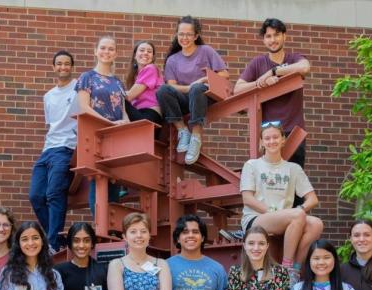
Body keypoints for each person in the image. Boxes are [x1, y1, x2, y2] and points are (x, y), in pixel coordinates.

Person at [239, 121, 323, 281]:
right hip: (256, 219)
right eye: (267, 138)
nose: (272, 141)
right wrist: (275, 213)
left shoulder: (293, 168)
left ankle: (295, 270)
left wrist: (296, 211)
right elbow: (247, 198)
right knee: (297, 215)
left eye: (276, 137)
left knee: (316, 224)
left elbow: (313, 199)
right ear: (261, 142)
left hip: (286, 219)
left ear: (283, 140)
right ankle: (286, 268)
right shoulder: (252, 165)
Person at [235, 18, 311, 184]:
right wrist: (260, 83)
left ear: (284, 36)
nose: (273, 40)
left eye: (276, 35)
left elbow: (305, 67)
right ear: (264, 40)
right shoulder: (258, 63)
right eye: (268, 36)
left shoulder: (294, 58)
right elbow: (237, 89)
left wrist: (274, 71)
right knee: (270, 185)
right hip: (268, 134)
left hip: (294, 131)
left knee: (294, 183)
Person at [156, 15, 228, 164]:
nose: (184, 38)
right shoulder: (172, 60)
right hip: (185, 99)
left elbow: (224, 74)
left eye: (188, 34)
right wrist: (189, 87)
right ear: (176, 35)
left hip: (205, 96)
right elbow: (171, 86)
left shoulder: (206, 51)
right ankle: (183, 131)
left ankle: (196, 136)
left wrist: (203, 80)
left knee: (197, 89)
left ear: (196, 36)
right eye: (181, 34)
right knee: (162, 90)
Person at [29, 50, 78, 253]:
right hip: (47, 149)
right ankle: (55, 240)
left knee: (54, 193)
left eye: (67, 63)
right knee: (35, 196)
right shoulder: (48, 96)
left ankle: (52, 243)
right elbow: (52, 125)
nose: (63, 67)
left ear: (72, 67)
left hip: (66, 148)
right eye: (59, 63)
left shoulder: (79, 87)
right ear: (53, 67)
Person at [76, 35, 127, 213]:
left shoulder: (118, 82)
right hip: (96, 134)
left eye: (111, 49)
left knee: (114, 179)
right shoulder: (87, 77)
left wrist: (126, 125)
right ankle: (99, 224)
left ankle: (111, 226)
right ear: (95, 51)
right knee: (98, 178)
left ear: (116, 54)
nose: (107, 52)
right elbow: (83, 107)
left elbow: (123, 111)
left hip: (116, 135)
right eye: (103, 48)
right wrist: (110, 124)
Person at [124, 40, 164, 126]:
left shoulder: (151, 68)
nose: (145, 53)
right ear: (135, 55)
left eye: (149, 51)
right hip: (139, 113)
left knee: (118, 99)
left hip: (149, 115)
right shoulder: (136, 75)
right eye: (142, 50)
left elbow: (129, 96)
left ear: (153, 57)